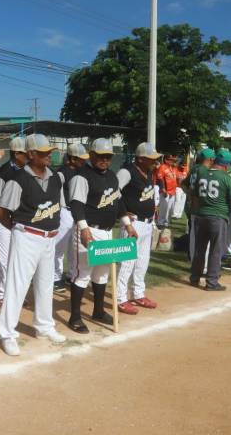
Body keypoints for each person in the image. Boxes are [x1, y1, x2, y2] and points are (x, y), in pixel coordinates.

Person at [0, 134, 67, 356]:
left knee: (46, 285)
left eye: (50, 152)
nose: (49, 155)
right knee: (17, 286)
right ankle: (8, 333)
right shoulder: (18, 180)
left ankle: (44, 326)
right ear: (31, 154)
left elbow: (59, 207)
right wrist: (20, 229)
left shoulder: (56, 178)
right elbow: (1, 212)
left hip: (49, 237)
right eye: (44, 152)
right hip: (27, 235)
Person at [67, 138, 137, 334]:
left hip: (106, 232)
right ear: (91, 155)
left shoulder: (112, 177)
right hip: (88, 230)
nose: (104, 160)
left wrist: (128, 225)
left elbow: (119, 203)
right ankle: (75, 316)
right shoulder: (82, 176)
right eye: (100, 156)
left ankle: (98, 311)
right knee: (82, 274)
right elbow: (76, 204)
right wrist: (83, 228)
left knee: (102, 273)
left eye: (108, 156)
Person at [115, 142, 161, 315]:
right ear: (140, 158)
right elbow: (113, 191)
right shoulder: (127, 172)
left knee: (142, 261)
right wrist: (123, 212)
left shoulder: (148, 172)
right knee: (126, 262)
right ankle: (120, 298)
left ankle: (138, 293)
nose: (154, 161)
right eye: (151, 158)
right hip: (132, 224)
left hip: (147, 224)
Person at [189, 149, 231, 291]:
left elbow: (194, 196)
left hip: (200, 215)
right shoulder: (227, 178)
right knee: (215, 250)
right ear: (226, 165)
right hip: (218, 217)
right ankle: (212, 282)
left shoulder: (201, 174)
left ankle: (194, 277)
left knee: (199, 248)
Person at [0, 137, 27, 305]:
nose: (28, 157)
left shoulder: (27, 171)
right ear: (16, 153)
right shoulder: (2, 173)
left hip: (20, 220)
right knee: (4, 260)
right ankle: (1, 294)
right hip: (2, 220)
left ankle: (15, 293)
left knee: (18, 259)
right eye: (25, 154)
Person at [53, 143, 89, 293]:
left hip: (76, 214)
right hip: (65, 212)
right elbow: (52, 188)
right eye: (81, 159)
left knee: (73, 248)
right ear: (72, 158)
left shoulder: (80, 172)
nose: (84, 161)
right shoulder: (62, 172)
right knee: (59, 248)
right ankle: (55, 278)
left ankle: (70, 274)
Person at [181, 148, 215, 263]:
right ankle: (196, 259)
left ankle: (191, 257)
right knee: (199, 235)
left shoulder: (194, 168)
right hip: (199, 207)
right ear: (210, 159)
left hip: (191, 204)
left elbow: (183, 184)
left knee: (192, 233)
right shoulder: (204, 171)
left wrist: (189, 194)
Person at [153, 153, 177, 232]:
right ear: (166, 160)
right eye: (171, 160)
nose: (173, 161)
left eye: (173, 160)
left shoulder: (172, 167)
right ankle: (160, 223)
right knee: (164, 208)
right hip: (165, 191)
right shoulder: (162, 167)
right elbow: (160, 178)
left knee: (169, 209)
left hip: (172, 191)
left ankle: (166, 224)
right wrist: (163, 189)